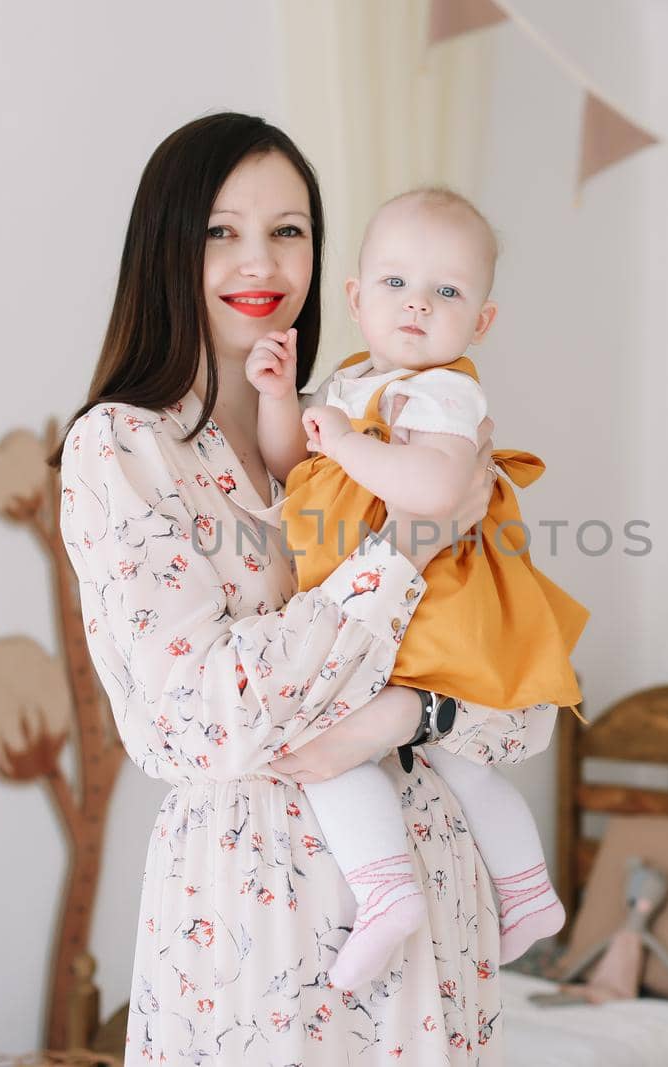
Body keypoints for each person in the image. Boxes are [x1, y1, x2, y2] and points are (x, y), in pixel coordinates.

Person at [52, 112, 557, 1064]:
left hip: (439, 916)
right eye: (221, 231)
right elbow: (202, 717)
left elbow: (518, 697)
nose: (263, 263)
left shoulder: (383, 422)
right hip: (257, 919)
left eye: (289, 230)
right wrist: (405, 553)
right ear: (167, 245)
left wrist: (406, 714)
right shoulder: (124, 448)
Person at [243, 188, 585, 991]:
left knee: (337, 740)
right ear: (357, 299)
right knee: (448, 763)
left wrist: (352, 444)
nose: (418, 305)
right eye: (396, 284)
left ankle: (388, 889)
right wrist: (277, 399)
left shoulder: (442, 394)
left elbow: (434, 486)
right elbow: (295, 462)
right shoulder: (355, 380)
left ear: (481, 322)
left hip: (428, 602)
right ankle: (527, 892)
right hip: (368, 599)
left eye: (448, 291)